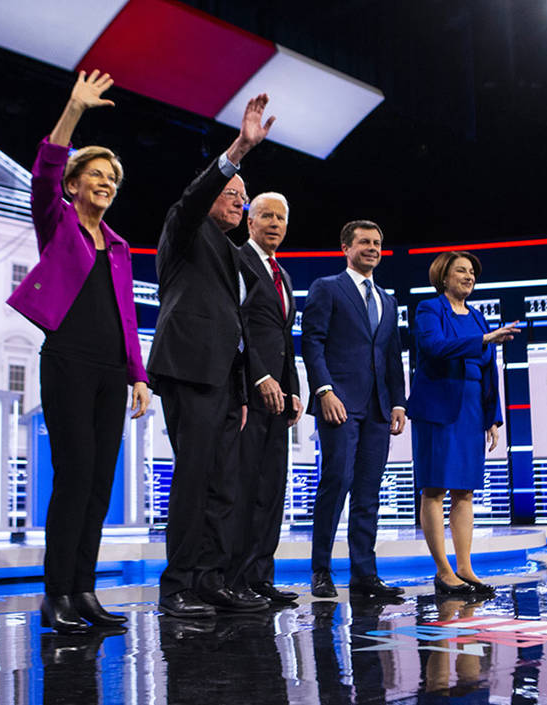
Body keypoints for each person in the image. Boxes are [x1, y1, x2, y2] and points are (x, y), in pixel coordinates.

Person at [6, 70, 151, 633]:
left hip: (112, 371)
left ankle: (85, 591)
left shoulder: (118, 246)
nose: (106, 183)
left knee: (99, 483)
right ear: (73, 185)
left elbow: (127, 316)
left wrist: (139, 375)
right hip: (68, 361)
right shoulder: (58, 223)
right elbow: (44, 172)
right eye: (96, 174)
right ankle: (57, 595)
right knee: (74, 476)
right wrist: (74, 110)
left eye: (112, 178)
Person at [146, 94, 276, 618]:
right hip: (189, 369)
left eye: (244, 198)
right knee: (195, 477)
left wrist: (241, 392)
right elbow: (195, 197)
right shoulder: (186, 227)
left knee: (223, 485)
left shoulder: (232, 253)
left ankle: (209, 579)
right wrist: (239, 149)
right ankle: (176, 585)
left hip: (225, 382)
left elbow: (238, 328)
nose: (240, 202)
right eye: (232, 193)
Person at [300, 220, 407, 600]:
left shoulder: (388, 301)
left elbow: (392, 356)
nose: (372, 248)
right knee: (336, 483)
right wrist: (324, 391)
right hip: (339, 404)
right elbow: (312, 342)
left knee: (368, 492)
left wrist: (398, 402)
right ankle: (321, 571)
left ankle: (364, 575)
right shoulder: (327, 287)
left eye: (377, 242)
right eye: (364, 242)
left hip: (378, 409)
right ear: (346, 248)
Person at [406, 251, 519, 597]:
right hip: (438, 407)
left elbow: (489, 370)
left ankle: (465, 568)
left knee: (465, 490)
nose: (469, 277)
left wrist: (492, 417)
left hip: (471, 409)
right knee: (435, 488)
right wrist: (483, 340)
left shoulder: (478, 317)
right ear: (444, 276)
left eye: (472, 272)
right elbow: (434, 347)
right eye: (461, 271)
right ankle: (443, 571)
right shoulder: (429, 309)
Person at [229, 192, 302, 605]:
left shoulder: (283, 274)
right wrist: (259, 376)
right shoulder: (237, 260)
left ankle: (261, 578)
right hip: (247, 391)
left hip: (279, 399)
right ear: (250, 221)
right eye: (267, 216)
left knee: (272, 488)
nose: (275, 223)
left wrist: (294, 388)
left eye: (281, 217)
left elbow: (284, 339)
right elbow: (238, 325)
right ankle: (235, 579)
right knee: (245, 487)